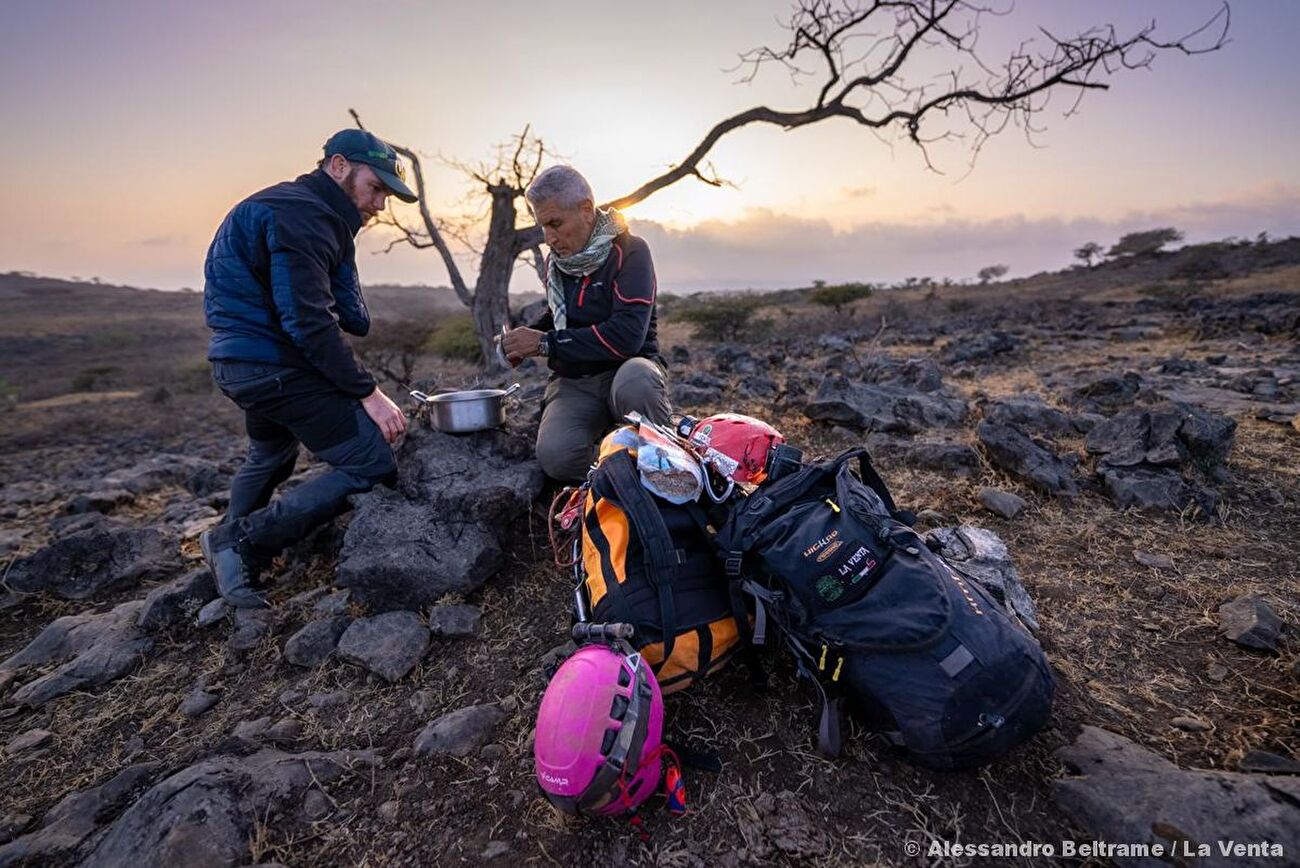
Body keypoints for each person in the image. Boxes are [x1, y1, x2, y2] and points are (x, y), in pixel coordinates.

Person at [199, 129, 417, 608]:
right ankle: (241, 544)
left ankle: (228, 549)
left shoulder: (298, 209)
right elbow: (308, 321)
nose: (380, 205)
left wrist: (345, 236)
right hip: (275, 366)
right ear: (338, 166)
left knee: (271, 455)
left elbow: (353, 319)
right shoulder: (306, 215)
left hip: (239, 366)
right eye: (375, 188)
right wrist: (368, 392)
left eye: (386, 194)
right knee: (371, 463)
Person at [502, 165, 671, 482]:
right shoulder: (559, 261)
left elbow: (626, 337)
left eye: (555, 223)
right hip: (576, 380)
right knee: (557, 457)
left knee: (637, 380)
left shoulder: (630, 251)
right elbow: (561, 315)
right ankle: (626, 473)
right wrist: (520, 342)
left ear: (585, 210)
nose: (549, 238)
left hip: (627, 370)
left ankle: (667, 464)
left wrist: (543, 343)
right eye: (542, 227)